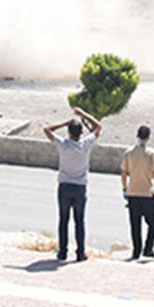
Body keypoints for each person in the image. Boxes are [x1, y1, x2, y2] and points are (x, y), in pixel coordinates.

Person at [43, 106, 102, 262]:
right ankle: (80, 252)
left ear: (69, 132)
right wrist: (83, 113)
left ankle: (63, 252)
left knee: (63, 220)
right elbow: (98, 127)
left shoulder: (63, 144)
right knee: (79, 221)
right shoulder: (86, 144)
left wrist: (65, 122)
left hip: (64, 185)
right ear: (81, 133)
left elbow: (47, 129)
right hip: (80, 187)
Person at [120, 124, 154, 260]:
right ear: (148, 137)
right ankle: (148, 248)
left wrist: (124, 188)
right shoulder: (151, 153)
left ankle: (136, 251)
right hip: (146, 192)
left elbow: (123, 172)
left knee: (135, 224)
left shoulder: (129, 152)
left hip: (132, 192)